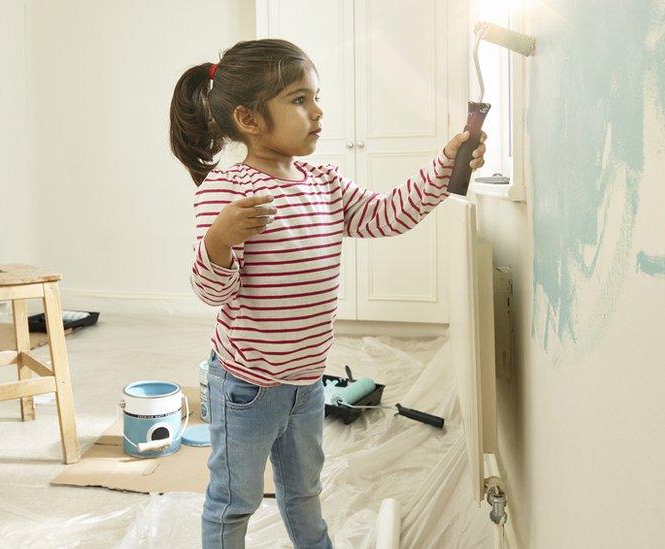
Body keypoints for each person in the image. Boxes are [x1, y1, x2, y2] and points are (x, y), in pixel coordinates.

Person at [169, 39, 486, 549]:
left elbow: (387, 214)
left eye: (315, 97)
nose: (318, 111)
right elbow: (213, 292)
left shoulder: (323, 181)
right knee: (235, 501)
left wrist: (445, 163)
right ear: (249, 120)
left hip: (307, 383)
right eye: (299, 100)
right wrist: (220, 239)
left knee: (305, 493)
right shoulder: (226, 192)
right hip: (246, 388)